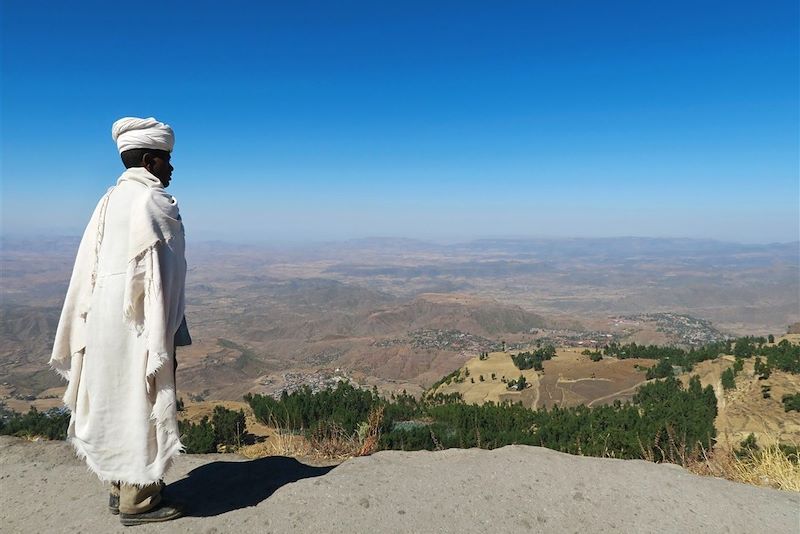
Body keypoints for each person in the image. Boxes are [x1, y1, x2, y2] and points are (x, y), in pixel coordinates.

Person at [50, 117, 189, 526]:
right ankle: (140, 500)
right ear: (150, 160)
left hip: (103, 320)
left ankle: (119, 484)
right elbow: (165, 274)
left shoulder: (108, 200)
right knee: (140, 399)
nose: (171, 169)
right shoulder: (155, 202)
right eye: (167, 160)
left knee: (112, 396)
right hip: (139, 324)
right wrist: (166, 327)